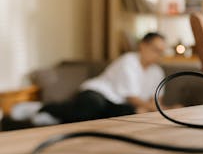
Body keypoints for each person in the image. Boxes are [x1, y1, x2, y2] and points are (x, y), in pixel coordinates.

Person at [26, 32, 168, 125]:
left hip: (118, 105)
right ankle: (42, 108)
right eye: (155, 50)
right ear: (143, 46)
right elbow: (133, 97)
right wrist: (161, 110)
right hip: (97, 94)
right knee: (90, 110)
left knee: (130, 114)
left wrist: (159, 109)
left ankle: (54, 117)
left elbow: (155, 100)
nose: (157, 55)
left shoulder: (157, 72)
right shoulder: (129, 61)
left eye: (161, 52)